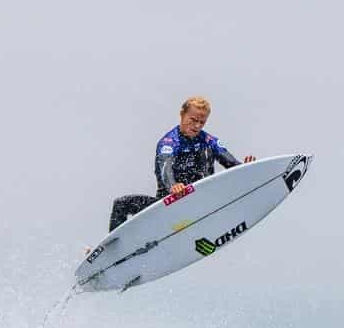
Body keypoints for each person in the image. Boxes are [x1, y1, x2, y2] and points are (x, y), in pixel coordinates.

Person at [108, 96, 255, 232]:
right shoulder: (169, 142)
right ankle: (112, 251)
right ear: (182, 114)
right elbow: (165, 167)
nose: (197, 126)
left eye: (201, 122)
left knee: (207, 149)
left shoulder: (208, 140)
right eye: (193, 120)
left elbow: (230, 162)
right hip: (169, 204)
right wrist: (173, 185)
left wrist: (245, 168)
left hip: (200, 198)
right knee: (121, 204)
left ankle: (202, 200)